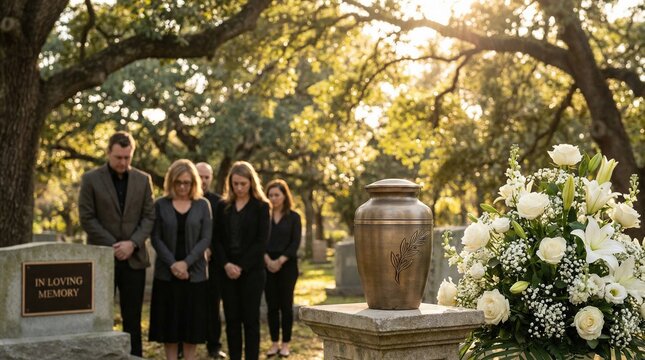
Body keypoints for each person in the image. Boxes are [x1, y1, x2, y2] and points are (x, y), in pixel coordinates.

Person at [79, 131, 154, 357]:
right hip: (102, 259)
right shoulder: (91, 179)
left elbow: (149, 216)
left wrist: (132, 243)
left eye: (127, 158)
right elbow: (87, 217)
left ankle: (134, 356)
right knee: (100, 318)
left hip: (134, 259)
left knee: (133, 319)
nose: (123, 162)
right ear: (108, 153)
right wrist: (114, 245)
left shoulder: (144, 180)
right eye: (118, 157)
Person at [149, 159, 212, 360]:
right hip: (166, 275)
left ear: (194, 182)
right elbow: (156, 237)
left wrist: (186, 263)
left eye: (187, 182)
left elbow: (205, 238)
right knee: (170, 328)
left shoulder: (203, 205)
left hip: (195, 276)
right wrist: (173, 264)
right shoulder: (160, 204)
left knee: (191, 328)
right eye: (178, 182)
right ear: (171, 182)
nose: (183, 187)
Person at [212, 161, 270, 360]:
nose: (239, 188)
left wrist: (241, 266)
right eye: (235, 183)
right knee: (232, 320)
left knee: (251, 321)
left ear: (251, 183)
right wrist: (226, 264)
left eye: (243, 184)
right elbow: (216, 239)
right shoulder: (222, 206)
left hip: (252, 272)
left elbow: (261, 242)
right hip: (226, 271)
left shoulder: (262, 207)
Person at [263, 180, 302, 358]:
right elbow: (258, 240)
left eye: (276, 195)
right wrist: (268, 260)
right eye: (270, 195)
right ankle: (273, 343)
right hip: (266, 264)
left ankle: (286, 344)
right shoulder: (264, 217)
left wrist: (280, 261)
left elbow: (295, 243)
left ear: (285, 195)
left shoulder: (294, 217)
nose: (273, 198)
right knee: (272, 306)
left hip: (288, 266)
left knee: (286, 305)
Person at [195, 162, 227, 359]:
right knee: (188, 305)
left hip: (213, 262)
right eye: (200, 176)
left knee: (213, 306)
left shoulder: (219, 202)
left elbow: (222, 234)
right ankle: (182, 345)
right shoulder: (184, 199)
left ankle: (213, 346)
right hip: (189, 262)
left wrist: (211, 250)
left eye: (207, 177)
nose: (203, 180)